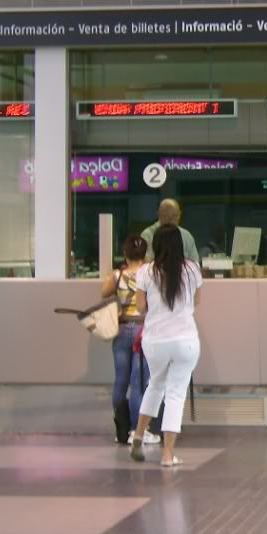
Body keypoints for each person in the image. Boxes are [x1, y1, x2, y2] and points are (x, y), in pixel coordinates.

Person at [130, 224, 202, 467]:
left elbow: (140, 308)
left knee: (155, 386)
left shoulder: (146, 272)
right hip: (185, 340)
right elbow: (197, 301)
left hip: (155, 340)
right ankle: (167, 454)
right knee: (175, 394)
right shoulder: (192, 269)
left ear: (156, 245)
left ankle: (138, 435)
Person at [100, 235, 160, 447]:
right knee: (138, 382)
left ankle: (121, 430)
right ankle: (138, 430)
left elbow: (104, 292)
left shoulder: (117, 276)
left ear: (125, 254)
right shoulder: (151, 273)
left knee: (120, 380)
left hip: (122, 330)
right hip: (144, 331)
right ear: (145, 255)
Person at [141, 199, 200, 266]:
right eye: (166, 216)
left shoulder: (186, 236)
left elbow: (195, 263)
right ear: (158, 214)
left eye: (174, 216)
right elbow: (145, 263)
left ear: (180, 215)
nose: (170, 221)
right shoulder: (147, 235)